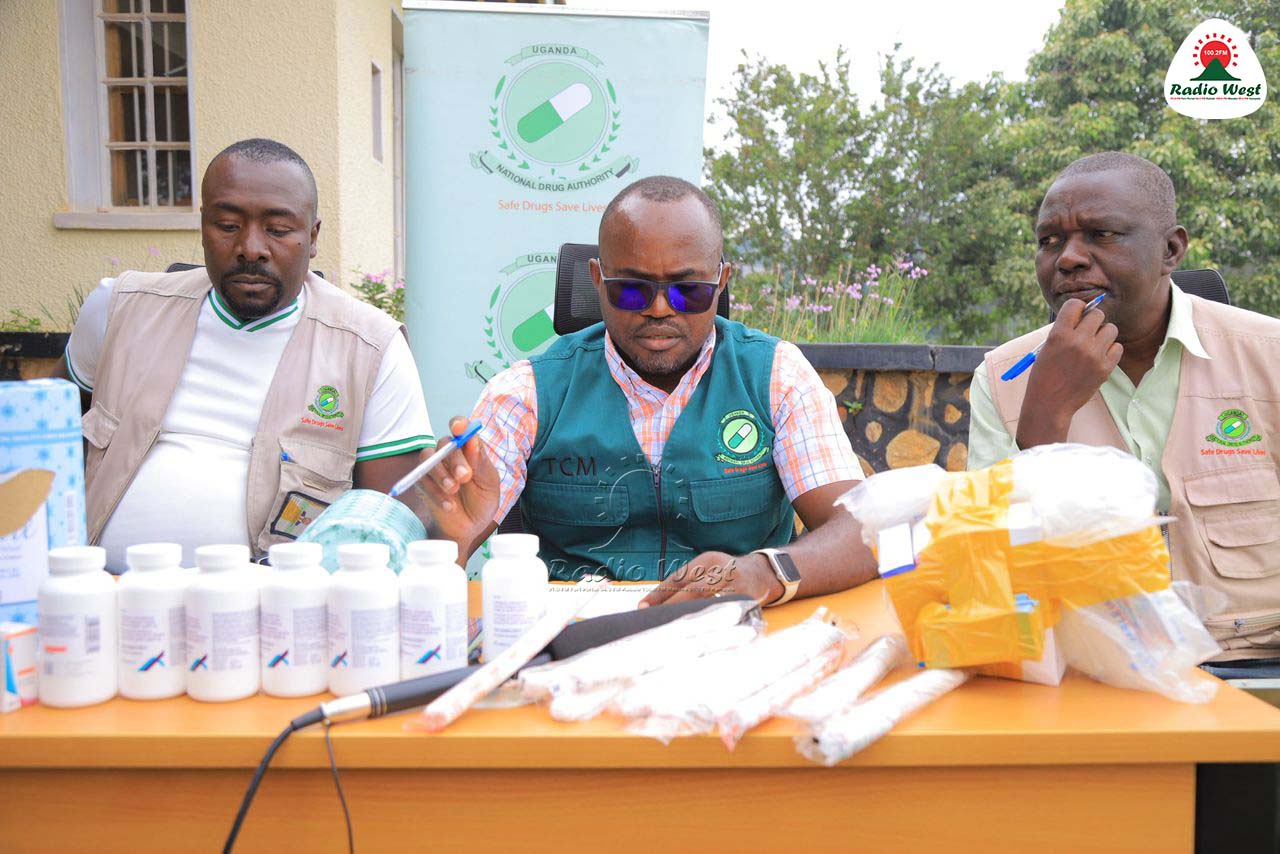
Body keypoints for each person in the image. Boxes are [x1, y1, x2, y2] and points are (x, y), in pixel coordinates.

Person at [414, 176, 877, 607]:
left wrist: (764, 572)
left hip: (733, 629)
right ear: (597, 280)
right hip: (571, 639)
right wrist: (451, 537)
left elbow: (862, 532)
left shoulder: (776, 377)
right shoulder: (526, 394)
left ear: (721, 282)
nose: (659, 309)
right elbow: (441, 545)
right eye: (632, 290)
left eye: (687, 291)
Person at [55, 138, 435, 572]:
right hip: (99, 591)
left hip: (275, 604)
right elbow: (42, 442)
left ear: (312, 237)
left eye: (278, 229)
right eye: (228, 224)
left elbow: (392, 521)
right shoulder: (119, 308)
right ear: (203, 226)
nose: (251, 247)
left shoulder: (371, 349)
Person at [969, 151, 1280, 663]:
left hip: (1257, 670)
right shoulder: (1002, 380)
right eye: (1050, 241)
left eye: (1102, 234)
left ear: (1170, 250)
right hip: (1092, 676)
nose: (1068, 258)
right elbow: (992, 574)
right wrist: (1045, 419)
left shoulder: (1268, 357)